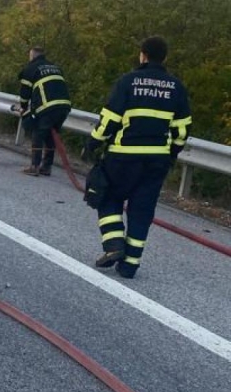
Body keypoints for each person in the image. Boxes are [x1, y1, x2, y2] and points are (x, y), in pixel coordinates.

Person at [85, 36, 192, 279]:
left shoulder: (128, 81)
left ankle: (113, 245)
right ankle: (130, 264)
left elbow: (110, 119)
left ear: (142, 55)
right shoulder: (176, 87)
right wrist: (171, 154)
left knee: (108, 197)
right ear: (164, 58)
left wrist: (93, 142)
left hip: (123, 157)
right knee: (142, 210)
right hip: (156, 161)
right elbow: (182, 129)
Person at [17, 47, 72, 176]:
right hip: (63, 107)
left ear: (32, 56)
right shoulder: (55, 67)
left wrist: (23, 108)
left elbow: (25, 93)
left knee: (38, 134)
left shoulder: (30, 69)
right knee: (51, 136)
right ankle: (46, 167)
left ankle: (34, 166)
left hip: (47, 107)